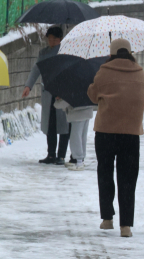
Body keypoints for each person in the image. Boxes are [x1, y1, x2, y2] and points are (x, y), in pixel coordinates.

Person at [87, 39, 144, 238]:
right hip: (131, 134)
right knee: (128, 178)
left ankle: (107, 219)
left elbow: (93, 96)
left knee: (105, 173)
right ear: (130, 52)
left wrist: (93, 87)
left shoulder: (103, 71)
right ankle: (126, 226)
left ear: (112, 53)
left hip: (105, 132)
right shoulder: (140, 74)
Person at [23, 26, 71, 165]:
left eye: (54, 39)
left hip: (62, 94)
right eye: (49, 38)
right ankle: (51, 154)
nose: (51, 41)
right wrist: (28, 86)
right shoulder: (43, 53)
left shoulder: (66, 52)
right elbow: (36, 69)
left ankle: (61, 155)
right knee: (50, 125)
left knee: (63, 125)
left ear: (60, 39)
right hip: (48, 93)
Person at [53, 98, 93, 170]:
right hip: (87, 111)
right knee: (82, 137)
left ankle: (79, 162)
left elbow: (64, 102)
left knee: (75, 138)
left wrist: (57, 101)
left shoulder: (72, 89)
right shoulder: (85, 88)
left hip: (77, 114)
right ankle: (80, 159)